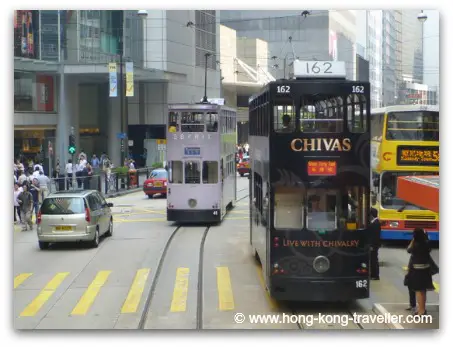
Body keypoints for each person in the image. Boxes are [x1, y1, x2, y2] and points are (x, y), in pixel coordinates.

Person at [406, 228, 435, 315]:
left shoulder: (415, 244)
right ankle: (423, 309)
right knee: (423, 290)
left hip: (417, 270)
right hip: (426, 270)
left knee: (418, 291)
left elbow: (408, 250)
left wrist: (413, 240)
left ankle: (421, 311)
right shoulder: (426, 244)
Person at [369, 207, 381, 280]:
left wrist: (372, 245)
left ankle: (375, 275)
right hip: (375, 244)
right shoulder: (375, 222)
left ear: (372, 215)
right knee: (373, 259)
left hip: (374, 245)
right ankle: (373, 274)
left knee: (374, 260)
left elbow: (374, 236)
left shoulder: (375, 223)